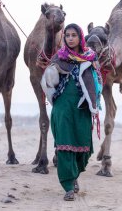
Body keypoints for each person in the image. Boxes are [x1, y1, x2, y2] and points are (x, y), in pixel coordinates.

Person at [41, 23, 102, 201]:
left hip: (82, 108)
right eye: (67, 35)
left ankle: (74, 175)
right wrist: (51, 71)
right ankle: (68, 186)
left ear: (80, 37)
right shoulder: (58, 58)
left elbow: (97, 82)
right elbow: (48, 82)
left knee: (82, 147)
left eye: (74, 35)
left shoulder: (90, 58)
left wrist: (94, 100)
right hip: (63, 108)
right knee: (65, 146)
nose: (70, 38)